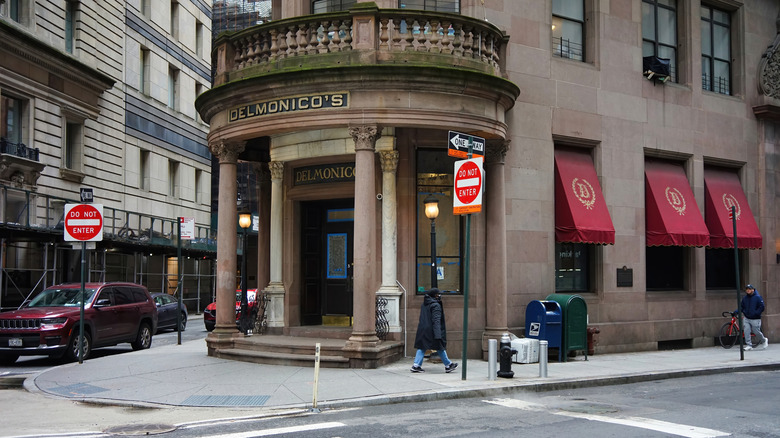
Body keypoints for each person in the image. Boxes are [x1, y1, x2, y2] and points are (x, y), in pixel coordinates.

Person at [411, 288, 458, 373]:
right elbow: (436, 320)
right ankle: (448, 365)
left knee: (422, 347)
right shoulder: (436, 305)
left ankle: (416, 365)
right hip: (432, 330)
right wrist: (438, 333)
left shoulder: (424, 304)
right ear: (435, 295)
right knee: (439, 346)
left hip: (423, 328)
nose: (439, 296)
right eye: (438, 294)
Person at [739, 284, 769, 351]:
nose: (748, 290)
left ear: (753, 290)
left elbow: (762, 307)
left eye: (749, 289)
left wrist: (756, 313)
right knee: (746, 331)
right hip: (747, 317)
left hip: (755, 318)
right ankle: (749, 345)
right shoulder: (745, 298)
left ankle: (764, 340)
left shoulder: (758, 297)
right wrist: (736, 311)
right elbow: (742, 307)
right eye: (747, 289)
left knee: (756, 331)